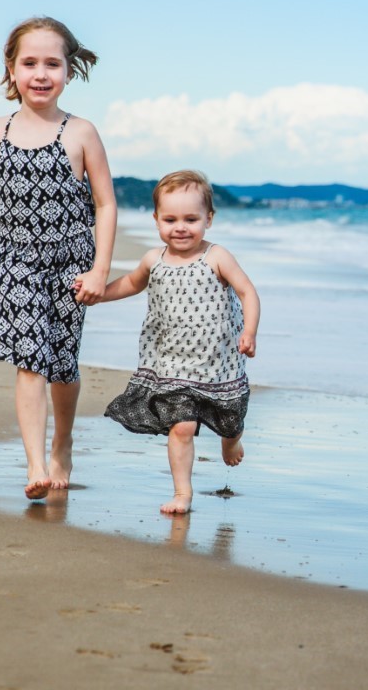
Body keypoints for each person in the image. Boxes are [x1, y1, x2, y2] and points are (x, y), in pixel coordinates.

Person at [0, 16, 117, 500]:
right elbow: (9, 191)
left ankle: (63, 441)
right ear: (11, 69)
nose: (41, 73)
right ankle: (35, 464)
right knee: (29, 356)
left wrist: (100, 269)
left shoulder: (81, 132)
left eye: (52, 63)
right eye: (30, 63)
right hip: (14, 258)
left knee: (62, 365)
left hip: (70, 261)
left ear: (68, 70)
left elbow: (105, 203)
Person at [98, 170, 259, 515]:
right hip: (171, 361)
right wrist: (99, 294)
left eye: (191, 219)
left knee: (228, 419)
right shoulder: (153, 260)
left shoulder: (217, 257)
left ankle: (232, 441)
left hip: (218, 364)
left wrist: (250, 332)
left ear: (209, 219)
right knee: (182, 425)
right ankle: (182, 492)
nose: (180, 227)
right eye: (170, 219)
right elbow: (129, 284)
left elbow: (247, 292)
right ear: (156, 219)